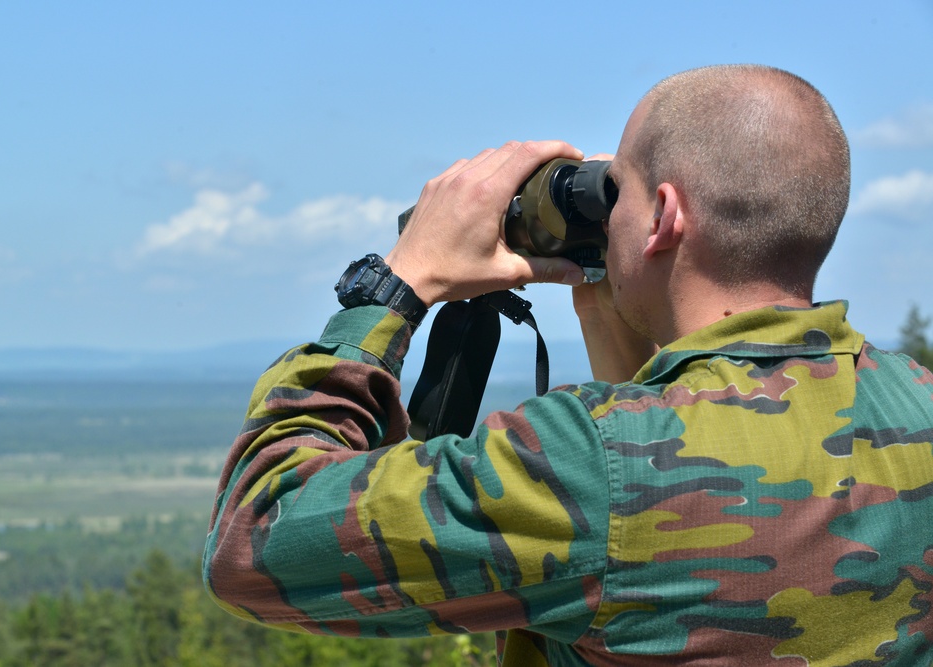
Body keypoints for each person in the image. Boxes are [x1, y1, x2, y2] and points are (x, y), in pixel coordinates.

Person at [201, 65, 933, 665]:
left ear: (664, 217)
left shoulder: (588, 463)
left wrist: (396, 285)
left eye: (620, 191)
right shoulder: (919, 406)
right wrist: (612, 316)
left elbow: (256, 538)